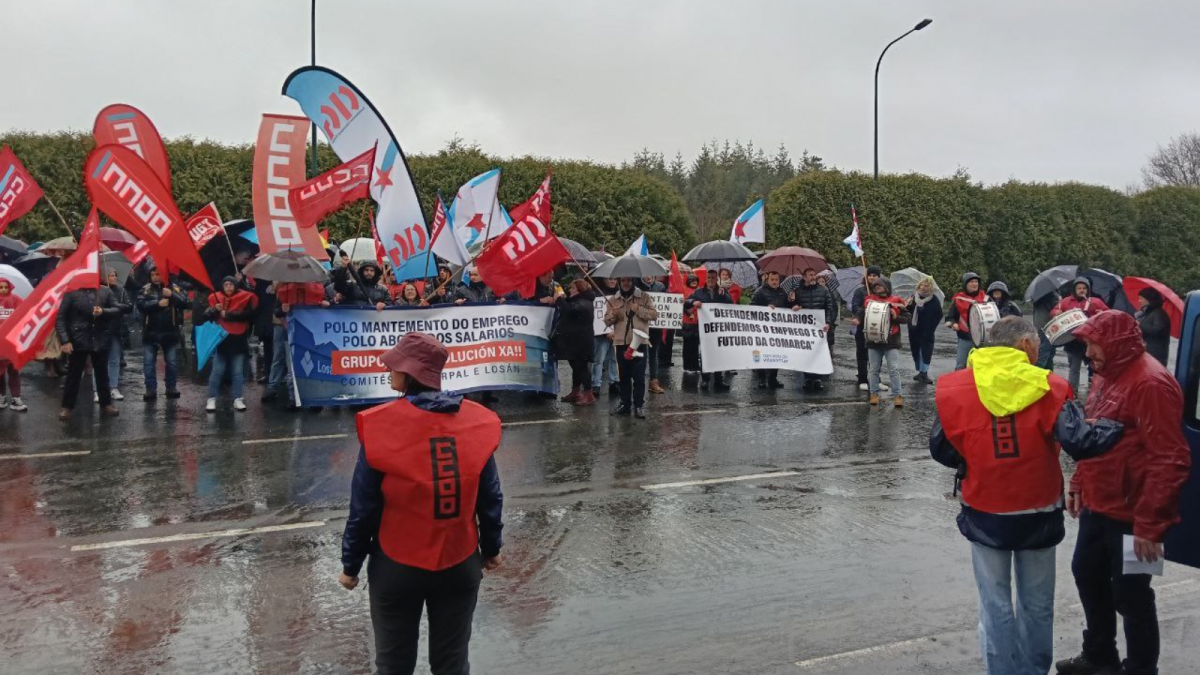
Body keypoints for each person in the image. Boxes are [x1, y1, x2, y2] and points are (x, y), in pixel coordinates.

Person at [931, 316, 1124, 675]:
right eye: (1036, 345)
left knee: (995, 604)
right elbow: (1079, 441)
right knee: (1037, 603)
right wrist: (1116, 426)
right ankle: (1034, 670)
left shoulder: (953, 386)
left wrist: (977, 457)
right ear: (1024, 346)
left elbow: (941, 448)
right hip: (1038, 506)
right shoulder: (1050, 386)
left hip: (984, 506)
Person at [339, 332, 504, 675]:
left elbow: (364, 509)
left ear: (408, 374)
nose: (388, 369)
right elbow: (490, 497)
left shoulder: (382, 426)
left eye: (395, 365)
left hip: (397, 563)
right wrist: (491, 549)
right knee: (452, 663)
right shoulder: (477, 422)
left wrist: (350, 566)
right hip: (459, 560)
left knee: (393, 664)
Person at [1057, 311, 1191, 675]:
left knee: (1133, 594)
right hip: (1099, 505)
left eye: (1093, 344)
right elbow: (1093, 433)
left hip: (1137, 516)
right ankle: (1100, 656)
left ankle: (1142, 669)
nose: (1088, 353)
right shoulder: (1105, 374)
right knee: (1086, 574)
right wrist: (1079, 481)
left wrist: (1151, 526)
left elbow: (1171, 459)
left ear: (1115, 343)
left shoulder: (1151, 383)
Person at [57, 283, 120, 420]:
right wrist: (65, 340)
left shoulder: (105, 291)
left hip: (100, 337)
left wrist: (103, 311)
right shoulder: (71, 292)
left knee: (102, 374)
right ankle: (67, 406)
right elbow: (61, 317)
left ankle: (106, 403)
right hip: (78, 339)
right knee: (73, 375)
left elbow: (117, 309)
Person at [263, 281, 329, 404]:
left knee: (300, 360)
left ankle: (301, 394)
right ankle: (277, 389)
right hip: (284, 327)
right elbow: (277, 310)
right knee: (281, 357)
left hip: (306, 329)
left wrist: (325, 303)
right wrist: (282, 309)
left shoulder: (315, 287)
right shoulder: (284, 287)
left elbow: (324, 301)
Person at [605, 277, 658, 418]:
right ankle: (625, 404)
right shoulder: (613, 299)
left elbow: (654, 315)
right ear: (619, 282)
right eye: (623, 281)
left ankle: (639, 406)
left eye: (628, 280)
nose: (626, 283)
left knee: (639, 377)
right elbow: (607, 321)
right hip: (621, 343)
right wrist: (613, 315)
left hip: (640, 344)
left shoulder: (644, 297)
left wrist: (639, 309)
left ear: (633, 282)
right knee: (624, 377)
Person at [205, 276, 259, 412]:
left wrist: (230, 315)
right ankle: (211, 398)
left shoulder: (245, 297)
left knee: (237, 371)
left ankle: (238, 398)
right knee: (217, 371)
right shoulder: (215, 298)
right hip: (221, 341)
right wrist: (214, 309)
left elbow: (250, 314)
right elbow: (206, 315)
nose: (228, 287)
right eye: (226, 285)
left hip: (238, 340)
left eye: (231, 284)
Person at [1050, 278, 1109, 399]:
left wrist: (1101, 313)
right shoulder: (1066, 301)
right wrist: (1056, 312)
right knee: (1074, 369)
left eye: (1084, 288)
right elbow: (1053, 311)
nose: (1082, 290)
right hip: (1073, 341)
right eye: (1079, 288)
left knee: (1095, 369)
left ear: (1088, 290)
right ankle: (1072, 395)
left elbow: (1109, 314)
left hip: (1091, 341)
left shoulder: (1095, 301)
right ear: (1074, 289)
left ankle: (1095, 394)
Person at [858, 278, 910, 408]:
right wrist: (857, 318)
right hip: (873, 340)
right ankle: (874, 394)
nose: (876, 287)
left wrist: (896, 317)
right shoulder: (870, 300)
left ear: (887, 287)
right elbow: (861, 313)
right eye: (875, 286)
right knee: (873, 370)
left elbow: (907, 318)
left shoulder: (896, 301)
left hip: (891, 341)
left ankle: (897, 395)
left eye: (879, 285)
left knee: (894, 369)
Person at [138, 267, 187, 402]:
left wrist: (172, 295)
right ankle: (150, 388)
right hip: (150, 332)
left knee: (172, 362)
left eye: (158, 274)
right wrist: (157, 304)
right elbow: (140, 304)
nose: (155, 277)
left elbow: (185, 303)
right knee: (149, 363)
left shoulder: (175, 288)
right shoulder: (146, 289)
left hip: (170, 332)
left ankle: (171, 387)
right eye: (153, 274)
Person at [792, 267, 837, 391]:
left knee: (819, 353)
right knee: (807, 353)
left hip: (820, 328)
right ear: (804, 277)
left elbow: (829, 307)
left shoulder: (823, 290)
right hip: (805, 329)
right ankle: (807, 378)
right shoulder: (798, 291)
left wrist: (828, 322)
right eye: (810, 275)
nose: (813, 277)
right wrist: (793, 304)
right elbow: (791, 307)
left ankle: (818, 378)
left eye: (814, 274)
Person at [687, 271, 732, 391]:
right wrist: (694, 302)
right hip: (704, 329)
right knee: (705, 354)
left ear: (717, 279)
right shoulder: (699, 292)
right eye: (709, 277)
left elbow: (731, 304)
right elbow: (686, 302)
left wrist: (724, 295)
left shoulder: (722, 291)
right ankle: (705, 380)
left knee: (719, 353)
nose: (711, 280)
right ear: (706, 279)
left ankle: (718, 380)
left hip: (719, 328)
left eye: (713, 278)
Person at [556, 279, 598, 407]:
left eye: (573, 288)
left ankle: (589, 394)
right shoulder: (579, 300)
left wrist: (559, 299)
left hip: (581, 342)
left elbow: (569, 311)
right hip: (575, 341)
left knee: (581, 367)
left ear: (580, 290)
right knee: (576, 367)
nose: (570, 290)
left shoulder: (583, 302)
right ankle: (575, 392)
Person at [751, 270, 796, 389]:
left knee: (776, 354)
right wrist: (765, 308)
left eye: (776, 280)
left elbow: (788, 308)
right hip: (762, 328)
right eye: (772, 279)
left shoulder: (782, 292)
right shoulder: (759, 292)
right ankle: (762, 378)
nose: (775, 282)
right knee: (762, 353)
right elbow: (751, 307)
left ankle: (773, 378)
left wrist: (792, 301)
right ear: (767, 279)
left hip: (778, 329)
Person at [92, 269, 132, 402]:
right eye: (111, 276)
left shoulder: (121, 291)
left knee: (114, 360)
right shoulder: (97, 291)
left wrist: (115, 306)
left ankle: (113, 387)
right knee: (99, 361)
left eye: (115, 275)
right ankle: (97, 390)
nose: (114, 278)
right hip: (100, 330)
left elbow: (129, 306)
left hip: (116, 329)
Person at [850, 266, 884, 391]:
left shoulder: (882, 291)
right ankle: (863, 379)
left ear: (879, 277)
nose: (872, 277)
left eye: (874, 275)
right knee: (862, 353)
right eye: (870, 275)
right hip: (863, 327)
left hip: (877, 327)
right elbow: (855, 307)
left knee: (877, 355)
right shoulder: (860, 292)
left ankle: (876, 379)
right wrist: (867, 308)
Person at [946, 272, 988, 370]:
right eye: (971, 282)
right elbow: (950, 318)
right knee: (961, 366)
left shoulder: (986, 298)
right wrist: (953, 324)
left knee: (982, 367)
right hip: (965, 338)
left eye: (976, 282)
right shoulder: (958, 299)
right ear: (965, 284)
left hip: (983, 340)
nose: (975, 284)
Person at [906, 276, 943, 384]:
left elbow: (938, 315)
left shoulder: (934, 299)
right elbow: (907, 312)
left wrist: (930, 327)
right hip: (914, 330)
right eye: (922, 285)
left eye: (926, 286)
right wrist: (908, 306)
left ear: (930, 287)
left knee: (925, 351)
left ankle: (924, 373)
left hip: (927, 331)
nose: (923, 287)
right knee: (916, 351)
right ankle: (920, 372)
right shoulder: (913, 297)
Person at [0, 279, 27, 412]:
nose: (4, 289)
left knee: (14, 370)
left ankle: (16, 398)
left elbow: (24, 315)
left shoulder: (15, 299)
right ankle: (1, 397)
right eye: (1, 287)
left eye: (6, 287)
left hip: (12, 341)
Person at [592, 277, 620, 397]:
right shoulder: (597, 294)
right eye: (610, 279)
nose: (613, 281)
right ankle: (596, 384)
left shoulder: (620, 295)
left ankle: (614, 382)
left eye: (614, 279)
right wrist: (607, 331)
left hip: (616, 333)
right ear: (604, 280)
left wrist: (615, 331)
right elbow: (597, 316)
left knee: (614, 359)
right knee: (599, 360)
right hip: (601, 334)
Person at [642, 275, 667, 395]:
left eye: (650, 273)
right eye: (646, 274)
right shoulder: (637, 287)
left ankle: (653, 381)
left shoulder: (660, 286)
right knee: (640, 354)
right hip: (641, 327)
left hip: (655, 327)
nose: (648, 276)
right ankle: (639, 381)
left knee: (653, 355)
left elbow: (667, 304)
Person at [1135, 288, 1171, 367]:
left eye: (1141, 298)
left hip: (1156, 355)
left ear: (1149, 299)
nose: (1139, 301)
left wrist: (1140, 324)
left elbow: (1158, 330)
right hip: (1148, 353)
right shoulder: (1147, 313)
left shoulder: (1159, 313)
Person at [680, 274, 702, 376]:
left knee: (695, 345)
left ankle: (695, 365)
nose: (694, 282)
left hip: (697, 321)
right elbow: (683, 304)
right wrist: (689, 314)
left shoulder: (699, 291)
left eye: (695, 280)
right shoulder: (684, 290)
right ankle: (687, 366)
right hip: (688, 322)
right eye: (692, 280)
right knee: (688, 345)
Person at [1033, 292, 1061, 370]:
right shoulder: (1051, 295)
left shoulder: (1036, 295)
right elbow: (1053, 309)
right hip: (1048, 325)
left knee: (1047, 350)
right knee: (1046, 350)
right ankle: (1039, 370)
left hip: (1039, 324)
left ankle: (1048, 371)